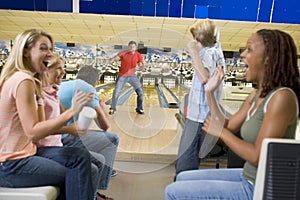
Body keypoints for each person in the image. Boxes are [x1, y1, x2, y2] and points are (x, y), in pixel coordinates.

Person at [165, 29, 300, 199]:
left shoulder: (282, 97)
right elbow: (228, 124)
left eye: (249, 50)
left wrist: (220, 132)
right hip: (248, 176)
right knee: (181, 178)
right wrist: (209, 92)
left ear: (268, 58)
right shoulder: (256, 94)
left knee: (173, 192)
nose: (242, 54)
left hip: (260, 187)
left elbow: (258, 156)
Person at [0, 29, 95, 200]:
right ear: (26, 51)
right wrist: (72, 112)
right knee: (76, 171)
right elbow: (33, 131)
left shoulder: (25, 79)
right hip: (11, 165)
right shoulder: (23, 80)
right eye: (43, 48)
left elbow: (39, 125)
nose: (50, 54)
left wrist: (71, 122)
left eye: (50, 49)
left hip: (24, 154)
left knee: (79, 156)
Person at [36, 53, 107, 200]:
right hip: (44, 147)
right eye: (59, 68)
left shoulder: (54, 92)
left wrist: (77, 114)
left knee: (97, 161)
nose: (64, 72)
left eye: (63, 68)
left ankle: (91, 196)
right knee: (88, 166)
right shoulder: (38, 94)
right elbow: (39, 129)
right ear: (45, 70)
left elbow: (64, 118)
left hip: (57, 143)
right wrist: (70, 129)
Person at [58, 65, 119, 200]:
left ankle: (96, 186)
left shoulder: (65, 84)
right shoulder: (88, 89)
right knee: (112, 139)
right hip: (66, 137)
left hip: (58, 135)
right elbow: (105, 126)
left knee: (98, 152)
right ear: (96, 82)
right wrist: (102, 108)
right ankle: (98, 189)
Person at [175, 19, 225, 177]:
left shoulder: (209, 54)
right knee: (188, 158)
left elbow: (204, 78)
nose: (192, 40)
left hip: (199, 118)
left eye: (194, 37)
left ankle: (182, 190)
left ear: (198, 38)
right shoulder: (215, 51)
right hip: (200, 114)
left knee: (185, 162)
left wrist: (193, 51)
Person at [108, 40, 145, 115]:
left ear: (135, 47)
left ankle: (139, 108)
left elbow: (140, 64)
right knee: (116, 92)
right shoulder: (123, 53)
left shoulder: (138, 55)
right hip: (122, 76)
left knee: (141, 92)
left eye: (133, 47)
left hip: (132, 76)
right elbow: (116, 58)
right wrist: (112, 60)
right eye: (130, 47)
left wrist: (141, 67)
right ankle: (113, 109)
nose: (132, 48)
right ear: (128, 47)